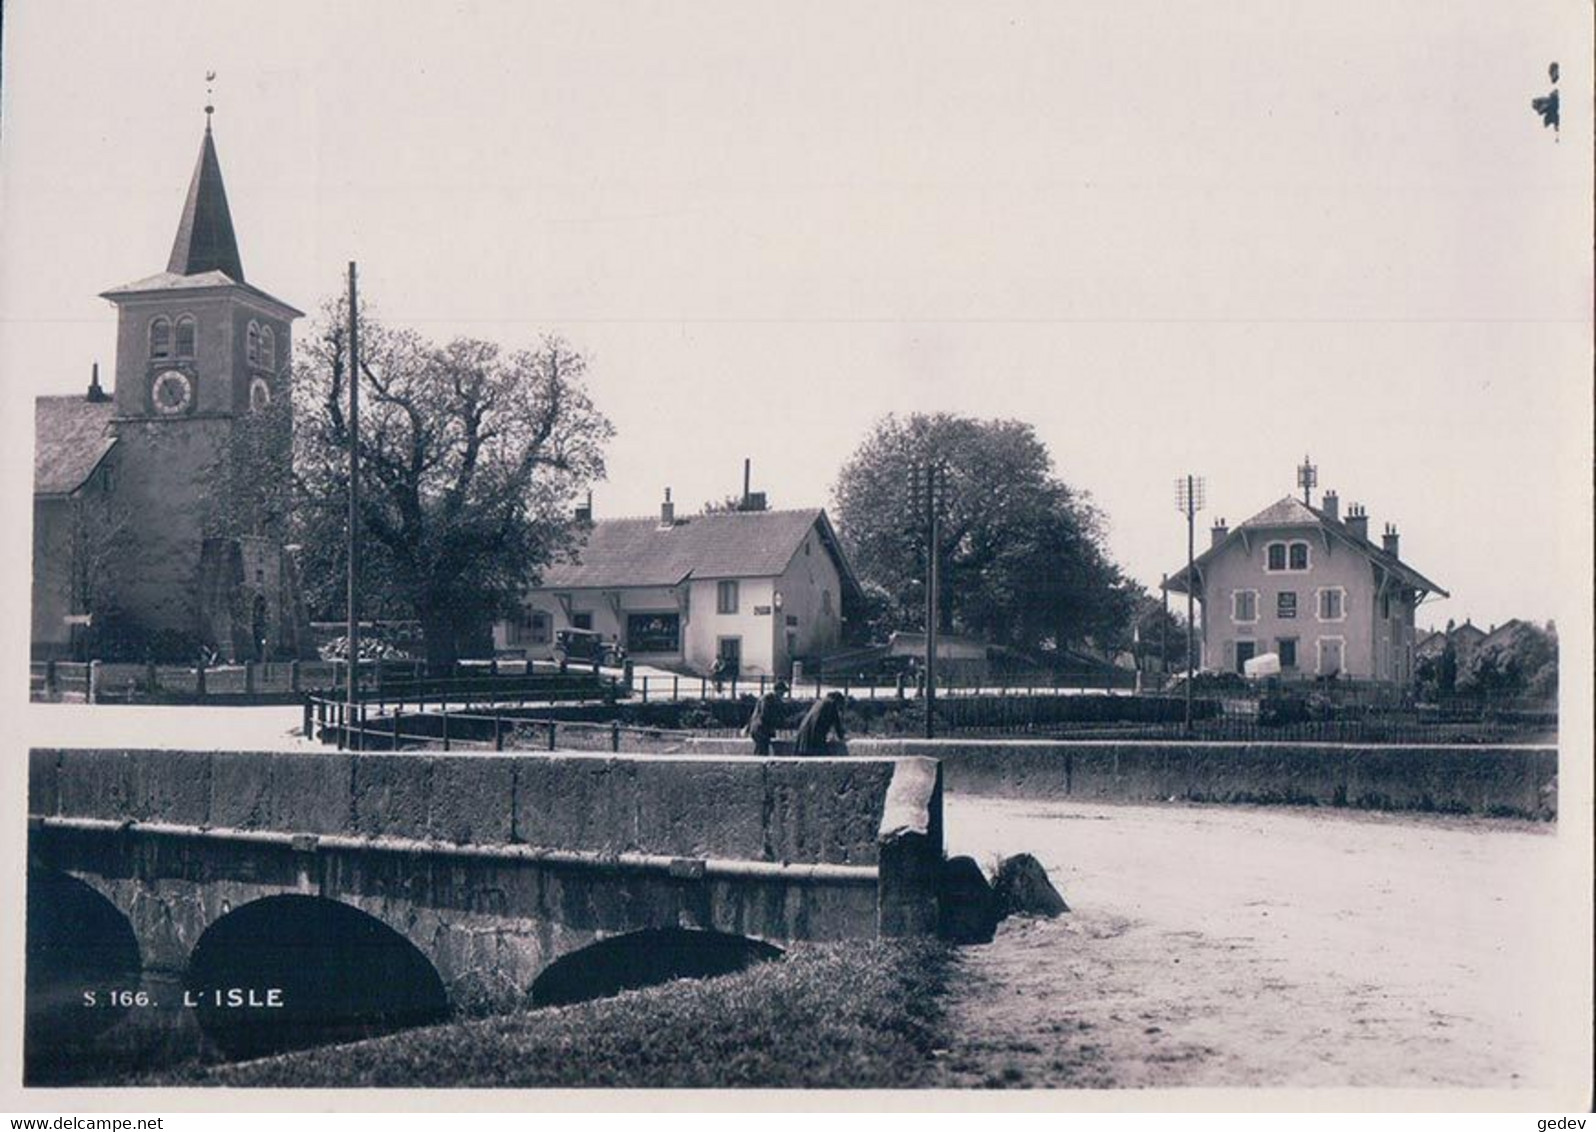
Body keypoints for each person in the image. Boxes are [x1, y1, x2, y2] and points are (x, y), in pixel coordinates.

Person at [793, 690, 848, 755]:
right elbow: (837, 724)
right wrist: (842, 736)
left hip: (804, 735)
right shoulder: (831, 703)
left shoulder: (820, 702)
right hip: (813, 737)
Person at [745, 680, 788, 756]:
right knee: (762, 750)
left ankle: (758, 764)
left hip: (760, 728)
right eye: (782, 692)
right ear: (777, 690)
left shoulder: (769, 699)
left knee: (761, 750)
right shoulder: (767, 699)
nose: (783, 695)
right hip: (760, 729)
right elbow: (765, 715)